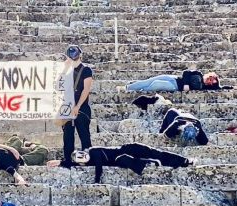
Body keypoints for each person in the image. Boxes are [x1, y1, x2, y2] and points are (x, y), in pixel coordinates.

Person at [49, 143, 192, 183]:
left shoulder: (94, 152)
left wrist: (97, 182)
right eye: (81, 159)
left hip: (129, 149)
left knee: (158, 154)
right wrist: (61, 162)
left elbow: (98, 167)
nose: (84, 158)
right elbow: (73, 164)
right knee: (121, 160)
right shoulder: (85, 162)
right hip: (124, 159)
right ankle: (149, 163)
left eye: (82, 155)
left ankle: (184, 161)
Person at [60, 45, 94, 168]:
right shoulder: (66, 70)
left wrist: (78, 106)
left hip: (82, 107)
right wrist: (65, 68)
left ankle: (89, 160)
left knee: (84, 134)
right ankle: (68, 160)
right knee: (68, 135)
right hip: (67, 107)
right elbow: (59, 85)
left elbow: (86, 90)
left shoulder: (86, 70)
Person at [123, 70, 233, 92]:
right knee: (149, 81)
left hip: (174, 87)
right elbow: (186, 73)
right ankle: (127, 88)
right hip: (173, 78)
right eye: (210, 78)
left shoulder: (202, 88)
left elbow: (220, 88)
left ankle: (137, 92)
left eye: (211, 82)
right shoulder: (198, 74)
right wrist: (186, 84)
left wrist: (232, 87)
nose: (209, 81)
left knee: (156, 84)